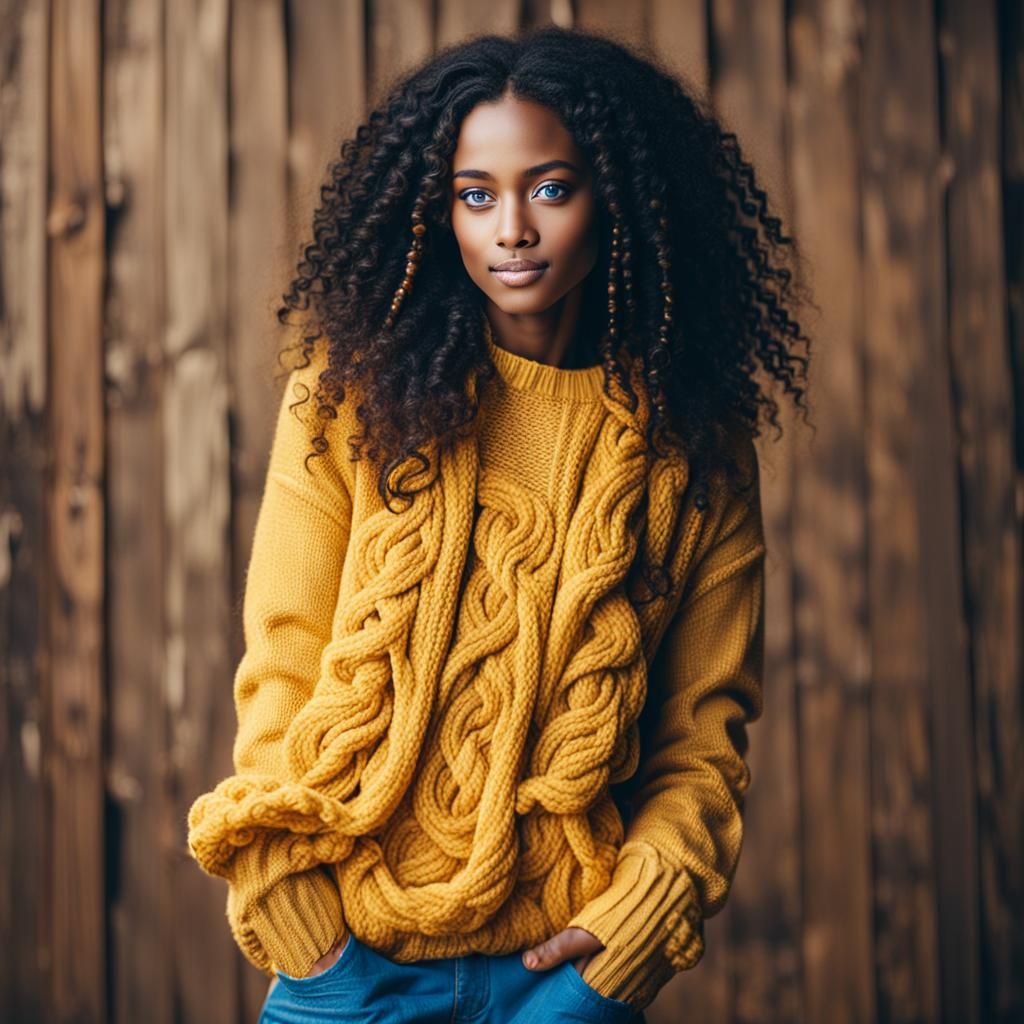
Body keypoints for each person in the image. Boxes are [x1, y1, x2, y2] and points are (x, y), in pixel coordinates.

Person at [186, 24, 812, 1024]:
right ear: (439, 213)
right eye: (475, 194)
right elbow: (282, 669)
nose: (510, 227)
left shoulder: (696, 445)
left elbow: (702, 733)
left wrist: (628, 943)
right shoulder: (344, 402)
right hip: (350, 967)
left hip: (559, 981)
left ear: (618, 198)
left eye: (550, 188)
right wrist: (297, 921)